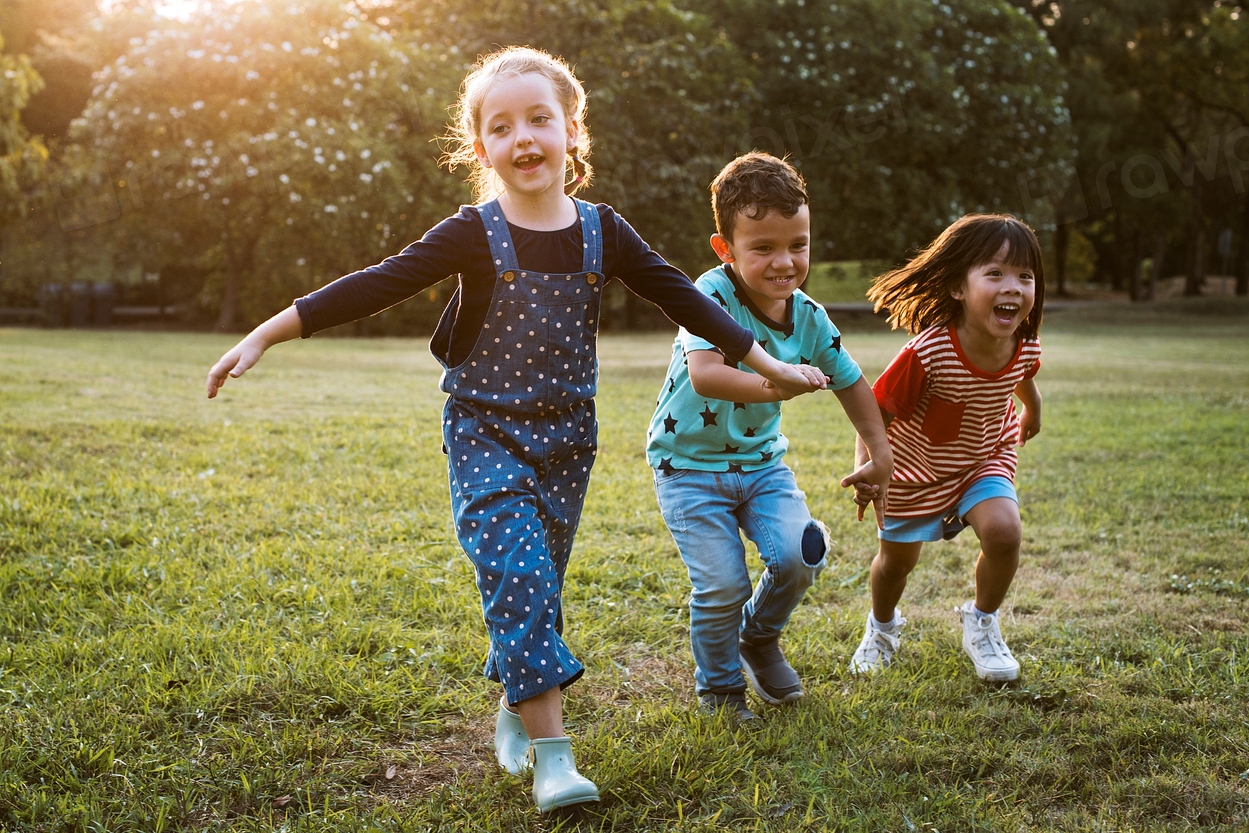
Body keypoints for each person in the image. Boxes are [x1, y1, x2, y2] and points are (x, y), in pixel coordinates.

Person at [205, 47, 822, 812]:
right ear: (481, 147)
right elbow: (378, 282)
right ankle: (554, 759)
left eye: (539, 119)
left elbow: (688, 301)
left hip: (567, 439)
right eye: (501, 126)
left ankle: (513, 704)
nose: (523, 137)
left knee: (537, 583)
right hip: (484, 431)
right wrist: (267, 331)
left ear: (571, 130)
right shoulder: (474, 231)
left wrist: (771, 363)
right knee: (520, 574)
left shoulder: (604, 232)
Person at [646, 152, 893, 720]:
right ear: (725, 248)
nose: (785, 262)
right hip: (689, 469)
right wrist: (777, 384)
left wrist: (879, 455)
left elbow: (852, 383)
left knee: (800, 555)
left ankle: (757, 639)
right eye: (763, 248)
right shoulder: (707, 295)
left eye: (798, 244)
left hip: (761, 467)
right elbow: (708, 375)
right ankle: (721, 689)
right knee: (723, 586)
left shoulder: (807, 315)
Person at [842, 214, 1044, 682]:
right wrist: (870, 466)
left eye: (1024, 276)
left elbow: (1024, 375)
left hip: (982, 459)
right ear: (958, 287)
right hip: (914, 468)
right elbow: (875, 412)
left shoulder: (1023, 342)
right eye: (994, 273)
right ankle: (882, 627)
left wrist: (1032, 411)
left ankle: (982, 621)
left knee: (1004, 533)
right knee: (896, 564)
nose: (1012, 286)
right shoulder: (928, 352)